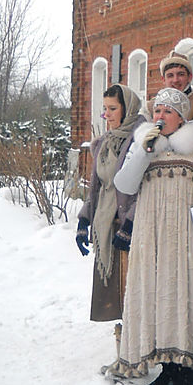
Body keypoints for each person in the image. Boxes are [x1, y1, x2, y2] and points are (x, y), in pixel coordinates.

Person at [112, 88, 193, 385]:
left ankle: (185, 370)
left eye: (167, 111)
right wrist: (143, 150)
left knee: (184, 295)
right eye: (157, 111)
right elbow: (123, 184)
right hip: (152, 235)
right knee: (157, 297)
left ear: (181, 116)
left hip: (187, 235)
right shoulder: (145, 145)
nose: (160, 117)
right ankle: (166, 368)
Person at [77, 84, 145, 365]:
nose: (107, 115)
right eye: (105, 109)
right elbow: (98, 187)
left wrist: (128, 225)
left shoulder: (141, 138)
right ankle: (126, 354)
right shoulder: (105, 142)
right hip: (106, 225)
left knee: (132, 292)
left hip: (129, 225)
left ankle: (137, 356)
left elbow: (143, 188)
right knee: (117, 295)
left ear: (127, 109)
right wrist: (84, 220)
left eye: (113, 109)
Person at [145, 52, 193, 119]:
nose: (175, 80)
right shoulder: (151, 106)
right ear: (163, 79)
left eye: (181, 74)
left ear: (190, 77)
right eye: (170, 75)